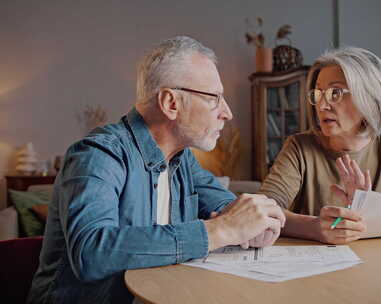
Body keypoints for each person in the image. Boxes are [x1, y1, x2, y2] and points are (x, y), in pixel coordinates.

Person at [28, 36, 285, 303]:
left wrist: (256, 224)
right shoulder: (98, 154)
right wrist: (223, 230)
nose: (227, 113)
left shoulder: (181, 159)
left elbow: (231, 209)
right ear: (171, 103)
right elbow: (91, 252)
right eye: (214, 98)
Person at [258, 46, 381, 245]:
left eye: (335, 93)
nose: (322, 105)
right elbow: (261, 211)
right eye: (318, 94)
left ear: (369, 97)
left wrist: (376, 212)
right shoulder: (299, 147)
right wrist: (315, 227)